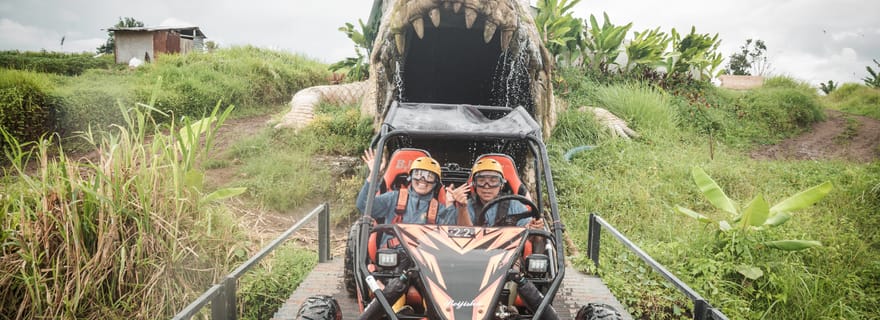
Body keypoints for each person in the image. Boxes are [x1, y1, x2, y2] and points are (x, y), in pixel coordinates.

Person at [356, 149, 470, 227]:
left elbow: (449, 234)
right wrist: (374, 174)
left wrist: (450, 204)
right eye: (418, 174)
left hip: (424, 258)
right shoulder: (393, 198)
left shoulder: (439, 209)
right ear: (410, 177)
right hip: (393, 257)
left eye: (429, 176)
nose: (422, 180)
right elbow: (364, 206)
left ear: (435, 182)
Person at [448, 158, 544, 228]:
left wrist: (533, 227)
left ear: (501, 185)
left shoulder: (515, 205)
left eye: (493, 181)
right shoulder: (466, 206)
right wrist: (462, 208)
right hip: (474, 254)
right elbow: (462, 237)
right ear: (474, 184)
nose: (487, 186)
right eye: (481, 181)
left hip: (510, 254)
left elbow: (529, 232)